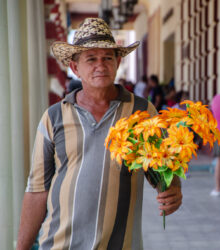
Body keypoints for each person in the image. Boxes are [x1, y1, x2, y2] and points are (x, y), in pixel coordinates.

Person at [16, 18, 182, 250]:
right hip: (59, 244)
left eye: (107, 58)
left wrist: (173, 188)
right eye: (91, 59)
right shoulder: (54, 117)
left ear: (118, 62)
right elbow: (37, 191)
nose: (100, 66)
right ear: (75, 68)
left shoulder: (142, 112)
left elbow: (161, 170)